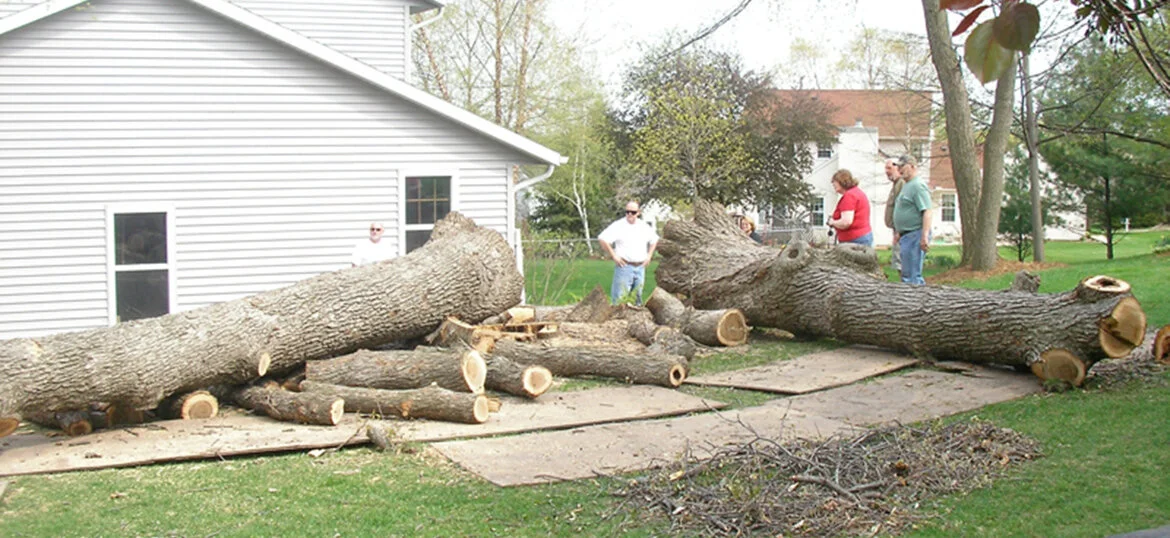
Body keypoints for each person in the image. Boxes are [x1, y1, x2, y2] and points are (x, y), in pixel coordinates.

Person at [598, 201, 659, 305]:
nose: (630, 214)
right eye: (627, 212)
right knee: (620, 299)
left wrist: (649, 256)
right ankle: (618, 320)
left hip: (640, 267)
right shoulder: (619, 225)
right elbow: (602, 238)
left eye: (633, 212)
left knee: (637, 298)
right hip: (624, 266)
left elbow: (655, 240)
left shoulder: (643, 226)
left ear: (638, 213)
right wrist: (614, 256)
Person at [891, 155, 933, 285]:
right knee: (907, 274)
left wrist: (924, 236)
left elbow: (927, 211)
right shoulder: (907, 185)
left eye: (902, 166)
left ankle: (918, 302)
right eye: (898, 167)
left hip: (915, 234)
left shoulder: (918, 186)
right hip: (906, 235)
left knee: (913, 276)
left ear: (912, 166)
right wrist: (899, 232)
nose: (899, 169)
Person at [826, 169, 873, 246]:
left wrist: (832, 222)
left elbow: (846, 222)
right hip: (862, 237)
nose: (833, 184)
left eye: (834, 181)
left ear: (842, 181)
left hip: (855, 240)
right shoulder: (856, 192)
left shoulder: (849, 196)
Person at [883, 158, 905, 272]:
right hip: (897, 230)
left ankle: (907, 288)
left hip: (901, 231)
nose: (886, 171)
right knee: (899, 264)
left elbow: (901, 208)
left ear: (897, 167)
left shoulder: (901, 183)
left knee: (901, 264)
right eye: (885, 168)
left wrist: (899, 231)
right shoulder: (895, 184)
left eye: (889, 168)